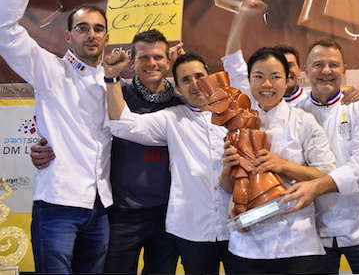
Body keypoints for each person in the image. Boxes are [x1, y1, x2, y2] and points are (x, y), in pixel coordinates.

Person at [0, 0, 113, 274]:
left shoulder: (114, 83)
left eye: (98, 29)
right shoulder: (51, 71)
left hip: (101, 207)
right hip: (58, 205)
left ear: (107, 38)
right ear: (68, 38)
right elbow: (4, 30)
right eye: (81, 28)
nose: (90, 35)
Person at [30, 30, 183, 274]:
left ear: (168, 62)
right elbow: (76, 126)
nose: (151, 63)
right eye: (143, 57)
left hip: (168, 215)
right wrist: (47, 143)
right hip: (122, 216)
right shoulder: (112, 93)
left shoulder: (180, 104)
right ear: (131, 62)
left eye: (158, 57)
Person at [105, 52, 232, 275]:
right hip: (193, 230)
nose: (194, 84)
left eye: (199, 76)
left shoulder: (236, 114)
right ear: (178, 89)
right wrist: (112, 79)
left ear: (210, 77)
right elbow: (123, 125)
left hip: (237, 226)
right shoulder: (172, 118)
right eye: (185, 80)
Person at [219, 47, 336, 274]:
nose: (267, 85)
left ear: (287, 80)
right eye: (259, 77)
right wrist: (226, 170)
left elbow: (326, 175)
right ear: (249, 80)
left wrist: (282, 165)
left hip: (297, 243)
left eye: (275, 77)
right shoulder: (236, 124)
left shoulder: (303, 121)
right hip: (247, 246)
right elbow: (227, 186)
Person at [280, 38, 359, 274]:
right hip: (314, 233)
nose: (326, 71)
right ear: (306, 71)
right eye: (319, 64)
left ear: (344, 70)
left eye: (334, 65)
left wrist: (316, 187)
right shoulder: (295, 112)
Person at [222, 0, 359, 106]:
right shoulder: (255, 97)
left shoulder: (312, 101)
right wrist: (242, 16)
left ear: (301, 71)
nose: (286, 71)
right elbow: (232, 61)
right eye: (278, 70)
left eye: (290, 65)